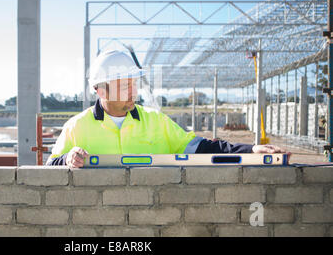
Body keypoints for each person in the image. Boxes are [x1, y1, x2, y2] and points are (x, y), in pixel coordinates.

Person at [46, 50, 289, 168]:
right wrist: (68, 159)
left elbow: (203, 147)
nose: (133, 92)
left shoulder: (156, 121)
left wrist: (251, 149)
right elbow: (50, 166)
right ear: (100, 91)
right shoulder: (77, 126)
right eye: (124, 86)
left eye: (134, 84)